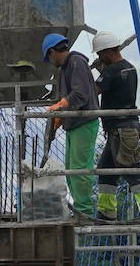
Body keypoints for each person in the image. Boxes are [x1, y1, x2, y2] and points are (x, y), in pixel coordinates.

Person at [92, 30, 140, 222]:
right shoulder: (129, 68)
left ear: (107, 52)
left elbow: (93, 91)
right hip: (124, 128)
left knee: (130, 169)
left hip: (121, 129)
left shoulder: (112, 71)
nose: (99, 58)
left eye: (99, 54)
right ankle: (106, 213)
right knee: (105, 169)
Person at [42, 33, 101, 219]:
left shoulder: (76, 62)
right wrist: (60, 119)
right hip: (74, 124)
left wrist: (60, 106)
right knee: (71, 170)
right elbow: (70, 98)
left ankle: (84, 212)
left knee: (80, 170)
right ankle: (79, 209)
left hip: (84, 123)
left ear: (52, 52)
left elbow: (80, 94)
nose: (51, 62)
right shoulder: (67, 67)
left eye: (49, 58)